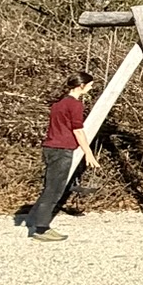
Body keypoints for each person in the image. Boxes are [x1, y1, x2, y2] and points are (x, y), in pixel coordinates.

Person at [28, 71, 99, 242]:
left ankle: (36, 219)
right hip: (61, 150)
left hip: (50, 148)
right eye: (90, 85)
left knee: (52, 186)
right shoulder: (75, 105)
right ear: (81, 86)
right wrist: (88, 153)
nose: (91, 88)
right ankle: (41, 229)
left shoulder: (58, 104)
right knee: (54, 190)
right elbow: (78, 131)